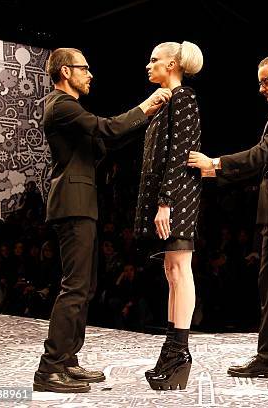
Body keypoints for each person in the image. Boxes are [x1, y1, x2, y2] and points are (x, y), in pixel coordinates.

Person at [34, 47, 171, 393]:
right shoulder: (61, 105)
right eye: (84, 68)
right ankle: (50, 368)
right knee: (75, 287)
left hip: (80, 204)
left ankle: (67, 360)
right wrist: (146, 105)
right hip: (73, 204)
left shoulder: (69, 109)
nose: (90, 74)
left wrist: (145, 120)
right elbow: (106, 129)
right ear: (66, 72)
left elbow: (106, 141)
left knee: (85, 286)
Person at [188, 54, 268, 389]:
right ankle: (267, 357)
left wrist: (216, 163)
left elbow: (263, 154)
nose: (260, 88)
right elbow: (262, 162)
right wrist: (214, 171)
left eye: (265, 80)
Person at [134, 41, 203, 391]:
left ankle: (180, 352)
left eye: (154, 59)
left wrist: (166, 202)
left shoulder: (184, 98)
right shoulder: (164, 103)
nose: (148, 65)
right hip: (170, 197)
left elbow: (179, 154)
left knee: (180, 268)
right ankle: (172, 350)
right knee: (172, 270)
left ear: (172, 64)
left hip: (178, 198)